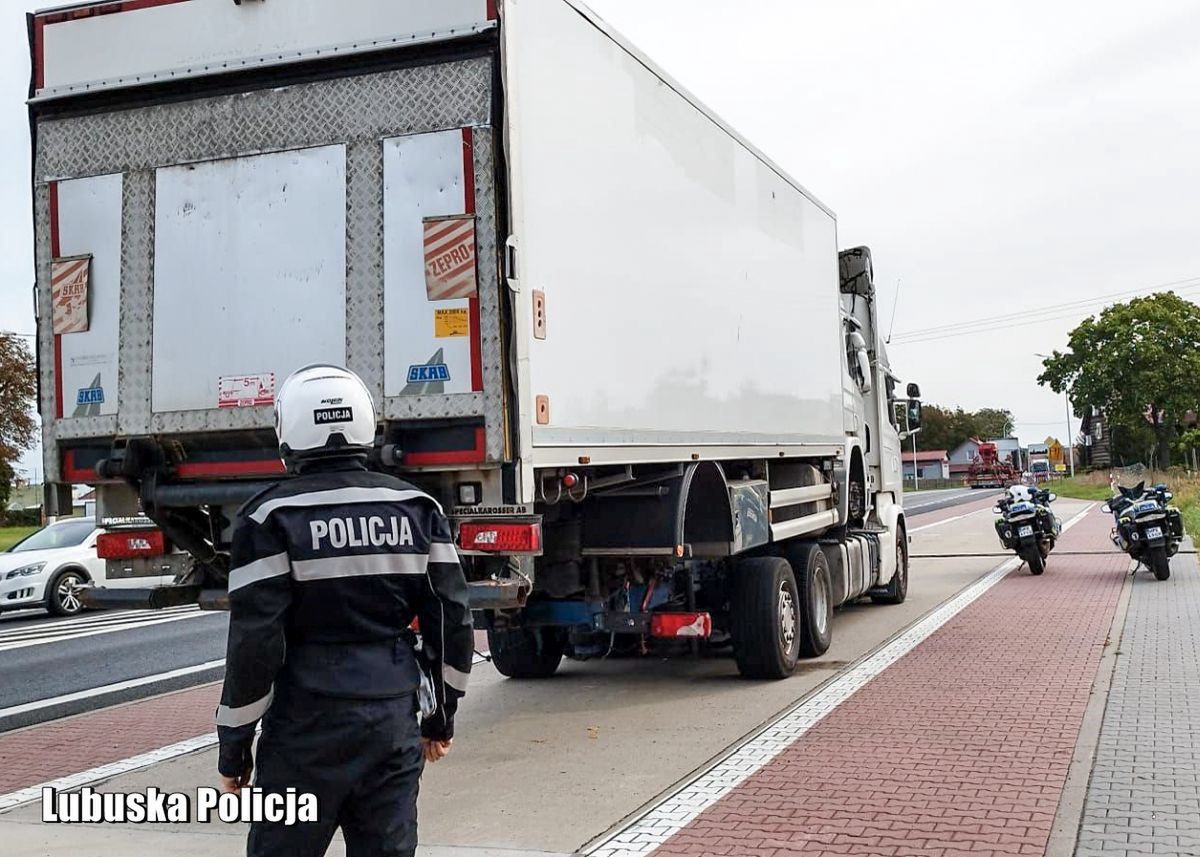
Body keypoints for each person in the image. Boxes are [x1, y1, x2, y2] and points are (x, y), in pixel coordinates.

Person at [215, 365, 473, 857]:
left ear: (288, 430)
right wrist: (441, 718)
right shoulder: (417, 508)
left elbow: (254, 645)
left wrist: (235, 746)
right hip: (391, 719)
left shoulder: (269, 517)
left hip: (304, 726)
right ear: (364, 424)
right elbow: (453, 620)